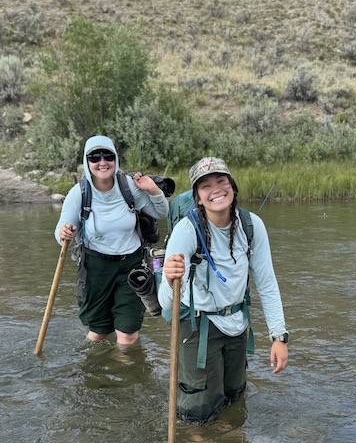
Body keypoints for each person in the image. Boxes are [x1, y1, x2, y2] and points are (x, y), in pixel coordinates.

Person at [158, 156, 288, 423]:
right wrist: (171, 281)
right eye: (205, 186)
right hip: (197, 325)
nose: (216, 189)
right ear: (198, 197)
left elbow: (266, 282)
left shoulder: (252, 226)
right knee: (199, 412)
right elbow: (165, 306)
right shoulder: (186, 231)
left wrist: (279, 336)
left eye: (221, 180)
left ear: (233, 186)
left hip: (237, 324)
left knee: (233, 399)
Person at [55, 135, 169, 346]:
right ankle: (95, 372)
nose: (102, 162)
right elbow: (60, 231)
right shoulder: (78, 193)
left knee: (127, 334)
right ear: (86, 162)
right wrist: (64, 233)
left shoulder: (129, 186)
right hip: (95, 268)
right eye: (94, 157)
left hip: (132, 267)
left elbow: (161, 212)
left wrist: (153, 189)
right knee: (98, 332)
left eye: (107, 156)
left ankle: (126, 374)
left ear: (115, 158)